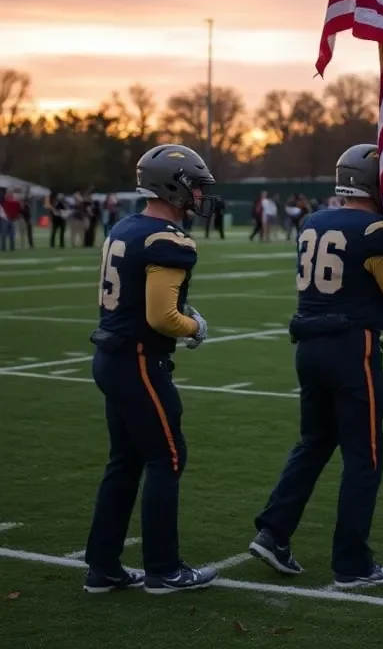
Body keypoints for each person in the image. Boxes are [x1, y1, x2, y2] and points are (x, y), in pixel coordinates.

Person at [251, 145, 383, 587]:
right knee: (364, 455)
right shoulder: (373, 230)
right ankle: (352, 562)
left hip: (308, 346)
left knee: (314, 441)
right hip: (352, 348)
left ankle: (273, 531)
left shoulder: (314, 221)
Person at [83, 144, 217, 594]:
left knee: (125, 460)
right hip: (140, 359)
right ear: (173, 186)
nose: (199, 195)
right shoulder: (167, 239)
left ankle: (102, 567)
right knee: (167, 456)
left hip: (112, 355)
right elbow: (162, 317)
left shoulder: (125, 227)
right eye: (195, 186)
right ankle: (164, 569)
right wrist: (194, 325)